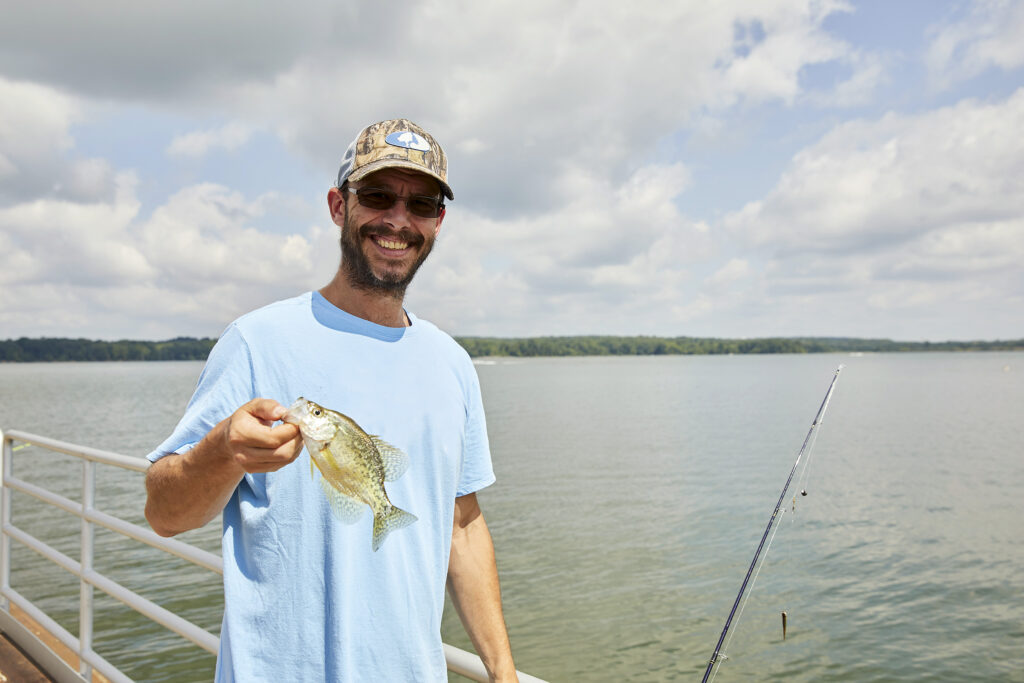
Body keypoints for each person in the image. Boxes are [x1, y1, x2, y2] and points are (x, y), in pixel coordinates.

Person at [144, 119, 519, 682]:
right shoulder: (257, 340)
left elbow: (462, 527)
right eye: (376, 196)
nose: (398, 219)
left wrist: (503, 671)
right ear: (338, 206)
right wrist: (222, 450)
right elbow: (164, 514)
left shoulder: (453, 365)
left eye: (421, 203)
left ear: (438, 221)